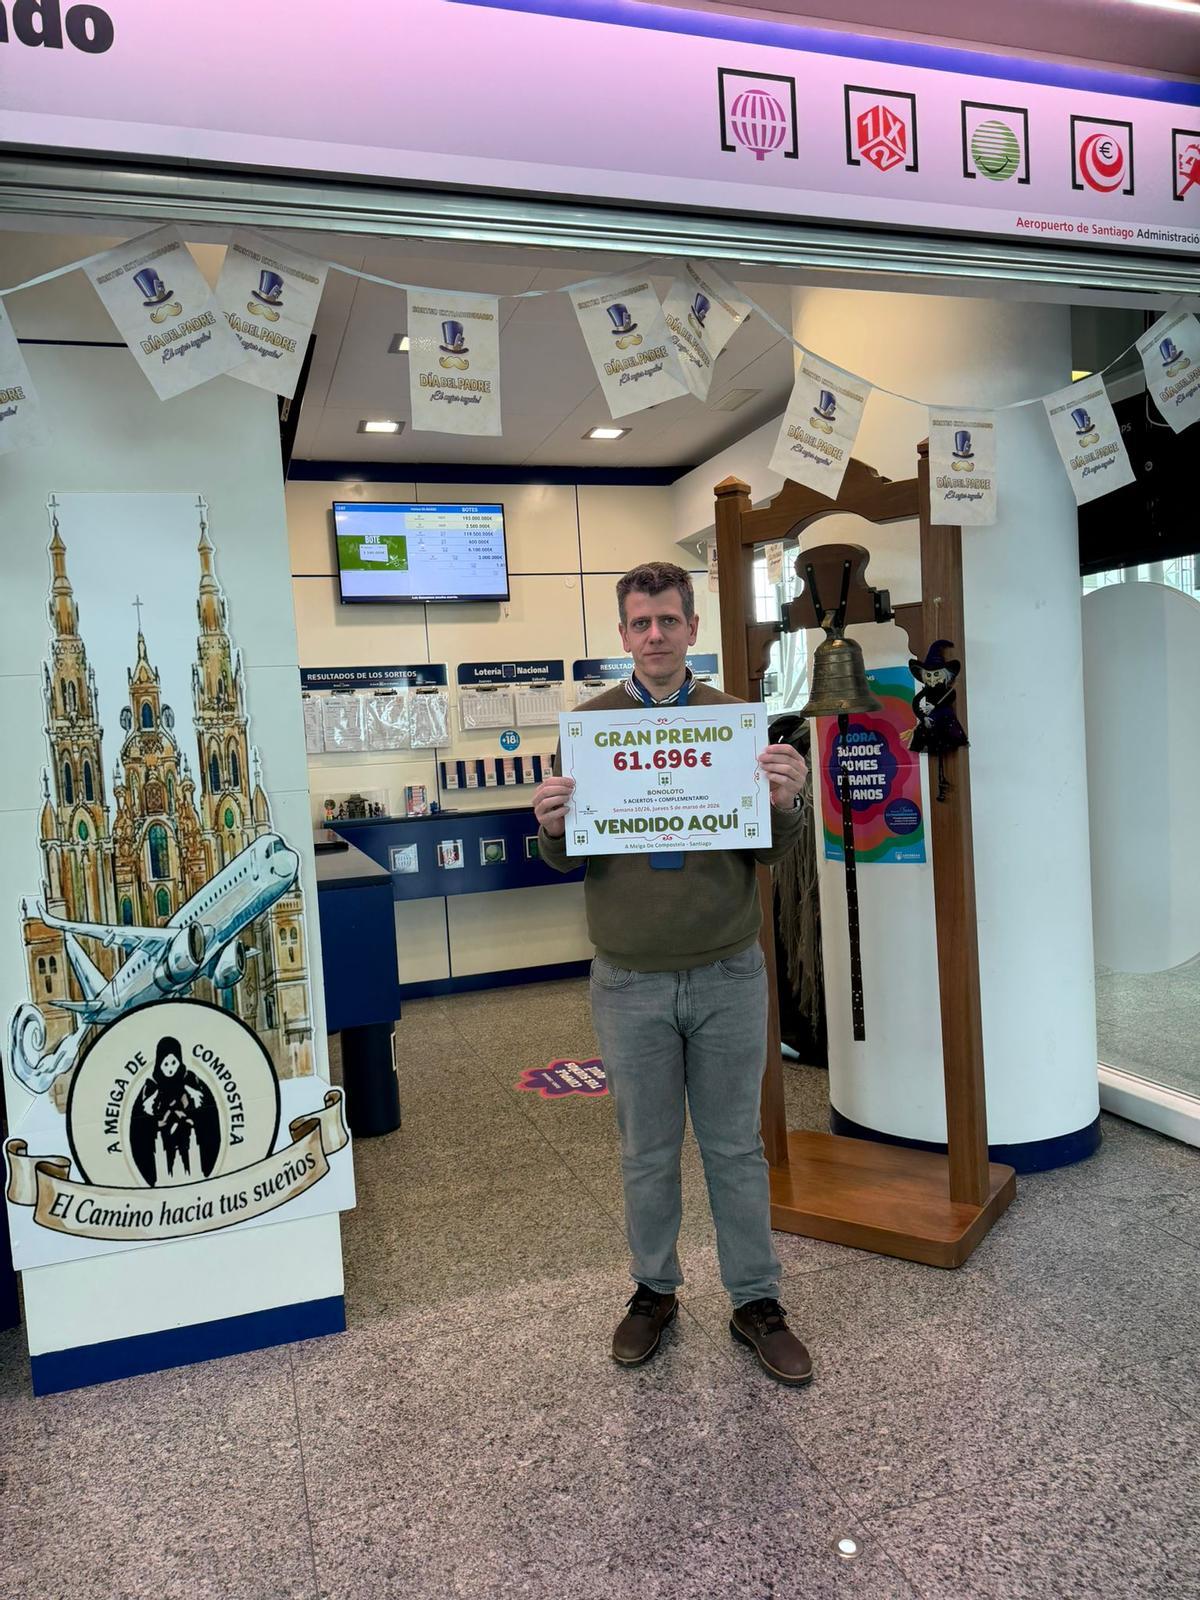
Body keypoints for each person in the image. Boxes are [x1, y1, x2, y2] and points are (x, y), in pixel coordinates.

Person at [533, 561, 813, 1386]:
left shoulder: (738, 725)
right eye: (638, 623)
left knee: (736, 1147)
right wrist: (550, 826)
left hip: (728, 972)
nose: (654, 635)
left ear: (692, 629)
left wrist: (790, 804)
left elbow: (764, 849)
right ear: (622, 636)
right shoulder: (589, 729)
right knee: (646, 1151)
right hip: (630, 981)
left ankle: (756, 1301)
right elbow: (565, 857)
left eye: (667, 620)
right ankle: (655, 1289)